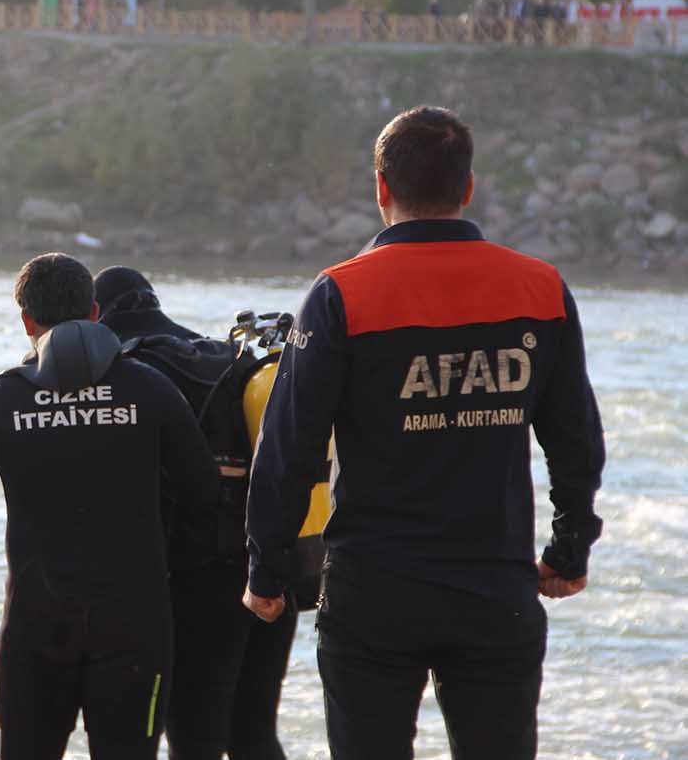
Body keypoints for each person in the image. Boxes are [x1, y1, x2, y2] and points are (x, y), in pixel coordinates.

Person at [244, 106, 605, 760]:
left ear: (381, 187)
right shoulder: (540, 288)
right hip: (495, 589)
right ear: (468, 188)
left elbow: (290, 447)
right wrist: (568, 547)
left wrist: (267, 570)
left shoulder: (339, 295)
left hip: (373, 594)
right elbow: (574, 437)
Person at [0, 253, 218, 760]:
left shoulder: (1, 398)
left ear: (26, 321)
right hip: (136, 625)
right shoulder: (152, 388)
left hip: (36, 626)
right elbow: (205, 497)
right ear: (93, 313)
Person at [94, 266, 294, 760]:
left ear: (95, 315)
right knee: (253, 735)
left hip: (197, 582)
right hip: (270, 566)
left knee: (194, 738)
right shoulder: (225, 355)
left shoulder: (127, 370)